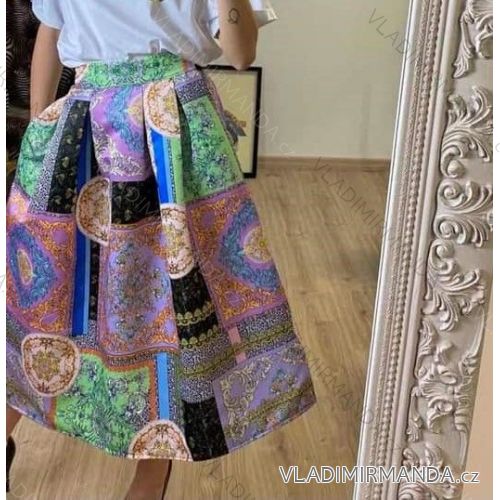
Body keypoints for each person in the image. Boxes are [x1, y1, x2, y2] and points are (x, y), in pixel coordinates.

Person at [6, 1, 318, 498]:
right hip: (82, 122)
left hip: (170, 128)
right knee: (51, 295)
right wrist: (40, 122)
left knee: (166, 302)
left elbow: (241, 54)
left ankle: (149, 478)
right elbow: (51, 29)